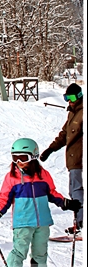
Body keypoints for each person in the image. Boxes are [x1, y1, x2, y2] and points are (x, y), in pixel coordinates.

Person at [0, 138, 79, 267]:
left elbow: (51, 193)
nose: (18, 162)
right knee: (19, 252)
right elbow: (3, 199)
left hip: (42, 223)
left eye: (23, 157)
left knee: (40, 254)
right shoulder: (12, 178)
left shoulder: (43, 175)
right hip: (23, 223)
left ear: (34, 156)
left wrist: (66, 203)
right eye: (14, 158)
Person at [40, 83, 83, 235]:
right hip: (74, 160)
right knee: (74, 191)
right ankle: (80, 222)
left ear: (79, 96)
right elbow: (64, 134)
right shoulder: (72, 113)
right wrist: (50, 149)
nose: (69, 101)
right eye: (66, 98)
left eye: (71, 98)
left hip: (81, 159)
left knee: (77, 192)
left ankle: (81, 224)